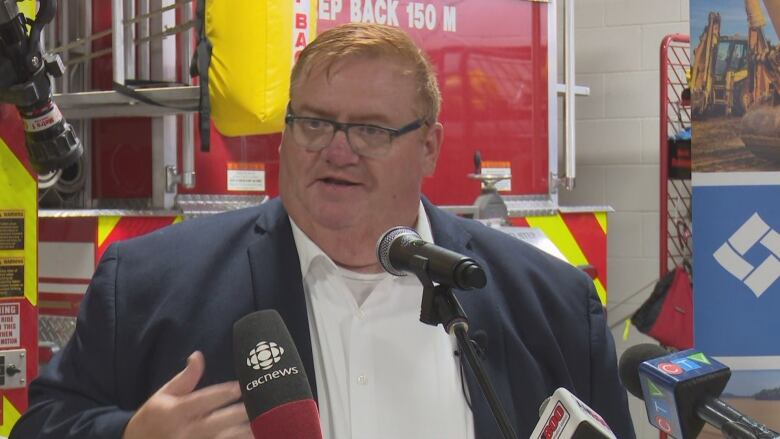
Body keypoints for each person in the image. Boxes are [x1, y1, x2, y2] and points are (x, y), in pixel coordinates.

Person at [11, 23, 635, 439]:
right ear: (285, 133)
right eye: (314, 123)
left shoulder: (549, 302)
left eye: (370, 129)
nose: (337, 151)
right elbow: (45, 424)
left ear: (429, 148)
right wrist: (128, 436)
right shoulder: (149, 283)